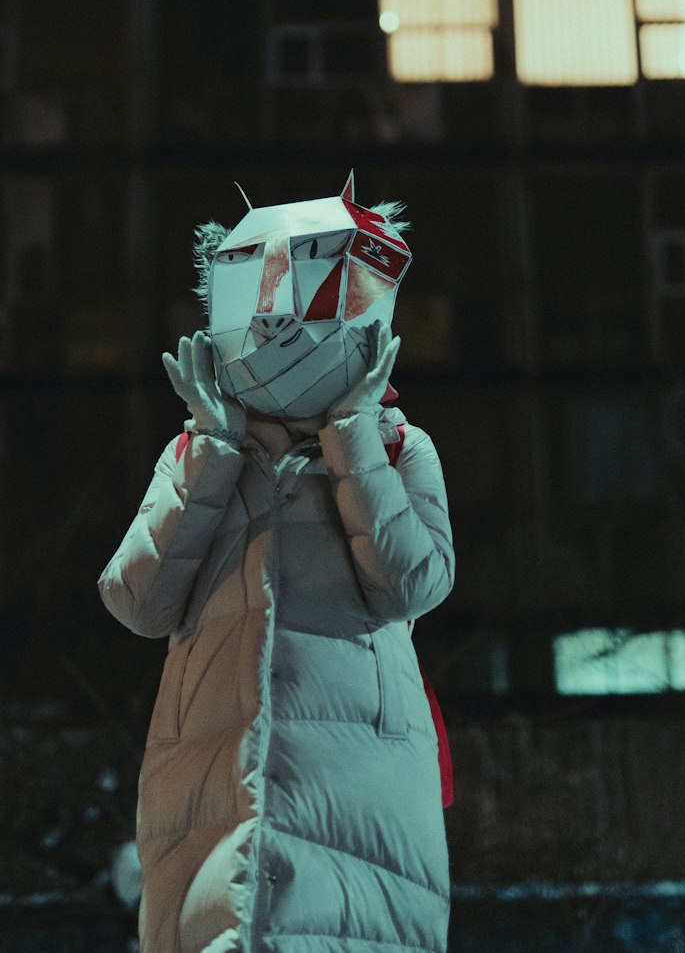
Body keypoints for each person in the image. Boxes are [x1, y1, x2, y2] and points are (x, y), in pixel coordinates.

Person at [99, 178, 454, 953]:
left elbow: (414, 583)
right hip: (210, 787)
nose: (279, 322)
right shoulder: (198, 452)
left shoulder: (398, 446)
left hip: (354, 791)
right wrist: (213, 451)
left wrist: (353, 434)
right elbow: (136, 599)